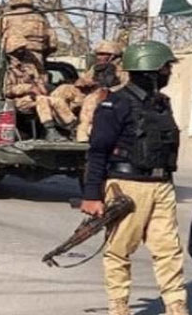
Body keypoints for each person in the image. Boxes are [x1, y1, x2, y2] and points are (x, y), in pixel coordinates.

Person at [80, 41, 186, 315]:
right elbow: (98, 151)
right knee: (119, 250)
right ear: (150, 70)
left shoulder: (161, 104)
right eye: (165, 68)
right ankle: (119, 307)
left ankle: (176, 306)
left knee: (169, 250)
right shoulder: (114, 104)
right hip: (127, 186)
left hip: (161, 185)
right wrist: (92, 195)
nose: (168, 72)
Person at [50, 40, 128, 141]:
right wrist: (85, 82)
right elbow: (81, 82)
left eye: (102, 54)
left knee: (91, 100)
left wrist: (107, 89)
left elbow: (125, 86)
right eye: (98, 54)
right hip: (87, 95)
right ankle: (70, 124)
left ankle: (83, 133)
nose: (99, 57)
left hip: (106, 99)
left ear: (113, 55)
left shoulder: (122, 70)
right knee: (63, 89)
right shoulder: (95, 68)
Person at [4, 48, 77, 141]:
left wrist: (41, 86)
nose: (21, 53)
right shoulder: (8, 71)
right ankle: (50, 131)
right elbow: (7, 90)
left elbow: (39, 82)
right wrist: (28, 88)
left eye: (22, 51)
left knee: (57, 101)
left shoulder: (29, 68)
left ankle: (73, 127)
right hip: (18, 101)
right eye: (17, 52)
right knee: (42, 100)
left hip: (36, 98)